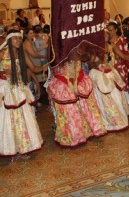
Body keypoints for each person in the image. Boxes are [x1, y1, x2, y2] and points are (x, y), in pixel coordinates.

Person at [47, 45, 107, 147]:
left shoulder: (77, 52)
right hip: (64, 87)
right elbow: (56, 72)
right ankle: (73, 137)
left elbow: (84, 59)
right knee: (70, 112)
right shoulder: (57, 57)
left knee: (85, 109)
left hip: (79, 82)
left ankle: (86, 132)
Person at [0, 30, 44, 160]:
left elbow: (33, 68)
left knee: (23, 119)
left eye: (19, 39)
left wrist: (45, 67)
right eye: (15, 39)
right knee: (9, 120)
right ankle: (12, 149)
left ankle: (23, 147)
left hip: (20, 89)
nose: (18, 41)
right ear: (9, 40)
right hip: (7, 91)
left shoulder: (21, 54)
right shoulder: (3, 54)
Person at [107, 22, 129, 107]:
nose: (109, 32)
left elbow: (124, 54)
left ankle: (126, 105)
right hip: (109, 67)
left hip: (120, 66)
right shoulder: (107, 42)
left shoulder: (121, 40)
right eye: (108, 30)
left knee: (122, 84)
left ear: (116, 30)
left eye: (111, 30)